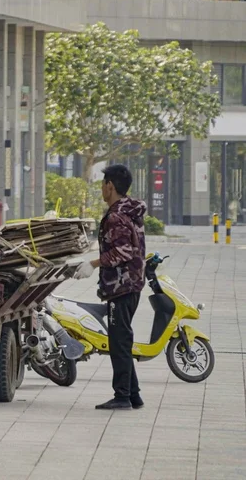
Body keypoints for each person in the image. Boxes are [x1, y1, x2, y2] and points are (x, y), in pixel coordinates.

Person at [74, 165, 147, 410]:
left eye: (103, 184)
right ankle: (133, 394)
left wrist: (93, 264)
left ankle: (122, 396)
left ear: (110, 186)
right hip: (131, 284)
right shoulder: (130, 211)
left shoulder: (116, 216)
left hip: (122, 287)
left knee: (119, 342)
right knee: (121, 339)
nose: (102, 189)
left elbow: (124, 251)